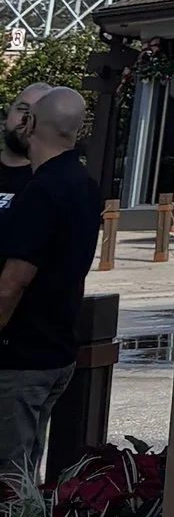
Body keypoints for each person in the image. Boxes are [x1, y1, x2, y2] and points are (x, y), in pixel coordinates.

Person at [0, 86, 104, 494]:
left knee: (9, 477)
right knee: (26, 465)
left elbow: (15, 280)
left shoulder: (42, 191)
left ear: (30, 125)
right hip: (55, 348)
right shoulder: (82, 184)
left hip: (20, 354)